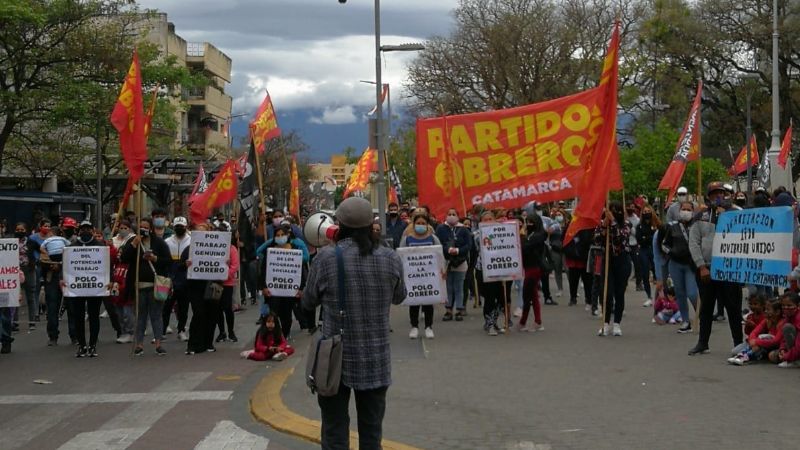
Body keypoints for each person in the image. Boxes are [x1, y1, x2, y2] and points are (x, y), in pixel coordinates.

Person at [301, 197, 406, 449]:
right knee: (372, 431)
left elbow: (308, 301)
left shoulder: (326, 257)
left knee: (335, 428)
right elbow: (400, 297)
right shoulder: (390, 257)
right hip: (376, 357)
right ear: (372, 225)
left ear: (339, 224)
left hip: (336, 358)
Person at [688, 181, 743, 355]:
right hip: (707, 270)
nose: (718, 197)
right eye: (714, 194)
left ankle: (738, 344)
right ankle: (703, 342)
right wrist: (701, 266)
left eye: (722, 193)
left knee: (733, 308)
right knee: (706, 308)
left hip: (729, 270)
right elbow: (694, 243)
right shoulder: (701, 216)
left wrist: (725, 218)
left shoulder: (736, 214)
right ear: (708, 196)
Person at [121, 217, 171, 356]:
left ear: (150, 229)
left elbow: (168, 261)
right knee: (140, 316)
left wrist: (155, 259)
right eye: (140, 227)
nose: (143, 230)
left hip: (154, 286)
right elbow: (124, 258)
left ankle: (159, 343)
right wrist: (133, 245)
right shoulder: (133, 241)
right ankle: (139, 344)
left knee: (156, 315)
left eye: (146, 227)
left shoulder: (159, 243)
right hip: (138, 286)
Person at [65, 220, 107, 358]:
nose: (86, 231)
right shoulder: (72, 247)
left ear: (93, 230)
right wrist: (63, 279)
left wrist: (109, 281)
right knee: (78, 317)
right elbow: (66, 265)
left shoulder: (100, 246)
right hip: (78, 288)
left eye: (88, 229)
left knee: (94, 316)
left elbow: (106, 265)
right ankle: (82, 345)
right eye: (83, 229)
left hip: (95, 287)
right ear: (79, 231)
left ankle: (93, 345)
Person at [259, 222, 307, 339]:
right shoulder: (270, 251)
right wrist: (263, 287)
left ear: (287, 236)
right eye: (278, 235)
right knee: (274, 313)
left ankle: (284, 335)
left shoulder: (295, 251)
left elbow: (299, 271)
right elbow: (263, 270)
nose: (280, 237)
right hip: (273, 290)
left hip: (289, 291)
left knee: (287, 315)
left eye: (282, 234)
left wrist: (300, 288)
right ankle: (275, 336)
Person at [400, 212, 442, 339]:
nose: (420, 225)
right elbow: (401, 257)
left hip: (430, 277)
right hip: (412, 278)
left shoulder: (433, 239)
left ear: (427, 225)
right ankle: (414, 327)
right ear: (413, 224)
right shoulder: (407, 239)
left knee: (428, 302)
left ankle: (429, 327)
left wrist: (441, 270)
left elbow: (440, 255)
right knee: (414, 301)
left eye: (423, 223)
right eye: (418, 223)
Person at [660, 201, 699, 334]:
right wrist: (671, 252)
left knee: (692, 293)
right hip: (675, 264)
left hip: (691, 264)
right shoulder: (672, 226)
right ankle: (685, 321)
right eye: (684, 209)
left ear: (693, 211)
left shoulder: (697, 225)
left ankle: (700, 315)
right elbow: (664, 244)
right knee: (680, 293)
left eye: (689, 209)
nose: (686, 211)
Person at [596, 201, 632, 337]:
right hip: (608, 261)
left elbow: (620, 239)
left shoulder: (626, 225)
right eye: (612, 210)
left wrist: (613, 223)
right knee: (607, 292)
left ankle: (617, 323)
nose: (615, 213)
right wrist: (604, 227)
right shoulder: (602, 224)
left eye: (617, 210)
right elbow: (597, 240)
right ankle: (605, 324)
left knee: (619, 292)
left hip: (622, 261)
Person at [183, 222, 216, 355]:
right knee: (198, 313)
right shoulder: (190, 248)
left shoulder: (216, 247)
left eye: (204, 232)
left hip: (212, 285)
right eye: (199, 232)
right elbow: (179, 264)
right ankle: (193, 344)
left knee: (211, 314)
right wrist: (185, 264)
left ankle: (208, 343)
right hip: (195, 286)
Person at [435, 207, 471, 321]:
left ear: (458, 216)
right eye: (449, 213)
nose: (451, 215)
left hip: (460, 261)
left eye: (453, 214)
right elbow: (438, 243)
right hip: (446, 262)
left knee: (459, 286)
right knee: (448, 287)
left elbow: (468, 245)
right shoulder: (441, 228)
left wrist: (458, 250)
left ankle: (459, 309)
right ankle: (448, 310)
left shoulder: (464, 229)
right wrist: (447, 249)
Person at [40, 226, 71, 346]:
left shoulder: (64, 245)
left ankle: (73, 335)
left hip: (65, 276)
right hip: (52, 277)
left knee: (70, 305)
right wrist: (51, 265)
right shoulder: (46, 248)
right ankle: (53, 335)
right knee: (53, 306)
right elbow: (42, 261)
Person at [729, 298, 781, 365]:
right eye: (765, 309)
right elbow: (754, 332)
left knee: (763, 338)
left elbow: (775, 341)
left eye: (768, 310)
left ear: (777, 312)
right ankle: (741, 355)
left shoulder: (781, 323)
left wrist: (757, 341)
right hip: (758, 342)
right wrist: (753, 340)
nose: (765, 311)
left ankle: (746, 357)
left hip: (770, 344)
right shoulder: (765, 320)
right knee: (734, 351)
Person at [163, 216, 191, 341]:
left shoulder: (192, 240)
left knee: (183, 306)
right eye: (177, 226)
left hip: (185, 277)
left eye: (182, 226)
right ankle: (162, 331)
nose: (180, 228)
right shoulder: (167, 241)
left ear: (186, 227)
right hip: (170, 276)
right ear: (173, 227)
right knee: (167, 306)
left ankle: (181, 330)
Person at [517, 213, 546, 332]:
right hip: (528, 267)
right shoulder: (530, 234)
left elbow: (525, 247)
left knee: (527, 295)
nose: (529, 224)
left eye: (531, 222)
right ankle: (536, 321)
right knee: (532, 295)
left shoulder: (539, 235)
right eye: (527, 221)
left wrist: (522, 236)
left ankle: (524, 321)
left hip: (534, 268)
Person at [110, 221, 135, 344]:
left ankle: (129, 332)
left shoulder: (129, 266)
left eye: (126, 228)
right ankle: (122, 331)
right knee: (118, 312)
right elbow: (112, 257)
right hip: (117, 289)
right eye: (121, 228)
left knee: (127, 312)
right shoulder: (117, 265)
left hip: (126, 289)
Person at [216, 227, 240, 343]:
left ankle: (231, 331)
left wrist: (224, 275)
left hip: (227, 283)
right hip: (214, 283)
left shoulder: (232, 249)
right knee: (217, 309)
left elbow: (235, 266)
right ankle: (221, 332)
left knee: (227, 308)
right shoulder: (211, 248)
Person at [15, 223, 39, 331]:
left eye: (22, 229)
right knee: (14, 297)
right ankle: (14, 323)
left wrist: (36, 261)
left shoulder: (31, 242)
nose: (20, 231)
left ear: (26, 230)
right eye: (18, 229)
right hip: (14, 270)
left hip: (29, 270)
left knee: (31, 296)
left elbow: (41, 251)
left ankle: (32, 322)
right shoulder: (11, 242)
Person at [635, 203, 659, 306]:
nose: (647, 213)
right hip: (644, 251)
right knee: (645, 273)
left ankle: (659, 296)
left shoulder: (657, 224)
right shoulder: (639, 226)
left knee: (657, 273)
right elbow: (640, 240)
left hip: (655, 251)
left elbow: (658, 237)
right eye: (644, 212)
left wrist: (647, 237)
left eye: (648, 211)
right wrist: (649, 237)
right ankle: (649, 296)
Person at [772, 292, 800, 368]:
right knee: (772, 356)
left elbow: (798, 345)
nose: (786, 308)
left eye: (789, 305)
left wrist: (786, 356)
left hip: (797, 349)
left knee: (787, 327)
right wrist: (782, 349)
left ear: (798, 306)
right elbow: (783, 338)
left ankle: (795, 360)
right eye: (783, 306)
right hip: (794, 349)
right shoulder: (787, 318)